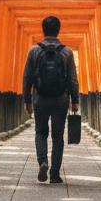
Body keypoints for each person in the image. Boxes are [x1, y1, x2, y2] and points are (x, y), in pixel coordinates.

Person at [22, 16, 79, 184]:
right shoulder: (66, 51)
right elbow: (73, 79)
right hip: (61, 98)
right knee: (58, 135)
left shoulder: (34, 50)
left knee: (40, 132)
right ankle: (55, 173)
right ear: (58, 30)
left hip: (40, 97)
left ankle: (43, 162)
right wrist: (74, 100)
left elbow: (27, 78)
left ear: (43, 30)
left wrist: (27, 100)